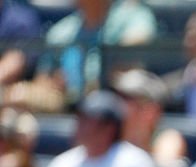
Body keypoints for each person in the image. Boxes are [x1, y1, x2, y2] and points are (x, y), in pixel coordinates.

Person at [6, 0, 156, 113]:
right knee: (16, 98)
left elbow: (135, 49)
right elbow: (42, 80)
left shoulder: (133, 16)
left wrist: (101, 77)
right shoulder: (61, 31)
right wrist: (54, 84)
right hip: (68, 105)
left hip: (115, 104)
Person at [110, 68, 190, 167]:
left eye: (127, 98)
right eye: (117, 97)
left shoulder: (167, 139)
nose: (118, 104)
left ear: (151, 110)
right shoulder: (107, 137)